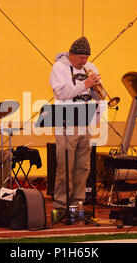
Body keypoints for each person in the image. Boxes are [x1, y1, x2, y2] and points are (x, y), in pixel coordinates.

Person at [49, 36, 102, 211]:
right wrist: (85, 84)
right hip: (66, 120)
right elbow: (61, 93)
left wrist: (96, 91)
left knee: (83, 166)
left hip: (84, 119)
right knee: (65, 166)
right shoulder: (59, 67)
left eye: (86, 57)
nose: (84, 61)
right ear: (71, 54)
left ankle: (77, 204)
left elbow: (95, 94)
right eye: (81, 57)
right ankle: (61, 206)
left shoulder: (90, 67)